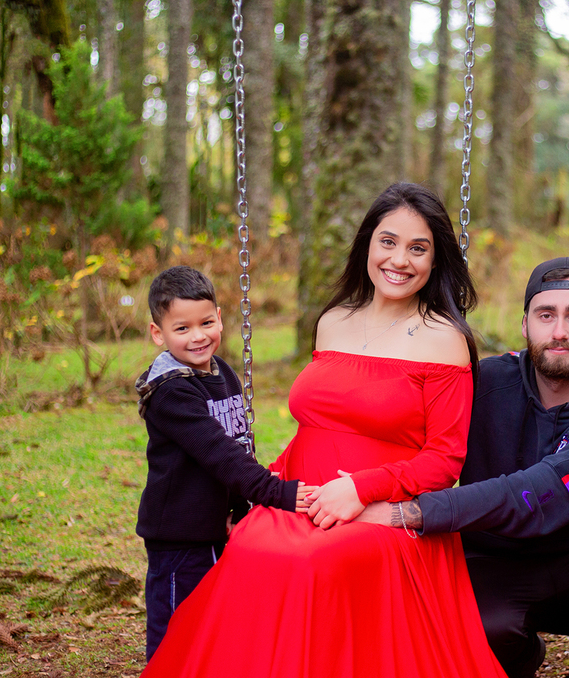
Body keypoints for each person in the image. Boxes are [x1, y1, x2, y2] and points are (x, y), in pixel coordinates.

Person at [142, 183, 508, 678]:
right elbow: (315, 426)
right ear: (367, 245)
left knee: (314, 562)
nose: (400, 260)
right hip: (304, 494)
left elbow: (444, 461)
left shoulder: (444, 340)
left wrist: (360, 489)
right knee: (251, 544)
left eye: (418, 248)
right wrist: (265, 489)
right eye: (388, 241)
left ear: (436, 259)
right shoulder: (334, 320)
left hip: (384, 510)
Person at [359, 256, 569, 678]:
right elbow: (401, 423)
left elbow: (540, 493)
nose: (559, 332)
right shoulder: (482, 383)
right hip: (493, 566)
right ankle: (520, 653)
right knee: (488, 636)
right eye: (546, 315)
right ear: (525, 324)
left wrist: (408, 513)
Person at [136, 265, 314, 660]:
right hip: (178, 535)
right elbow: (220, 453)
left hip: (215, 527)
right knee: (175, 624)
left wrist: (238, 508)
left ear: (219, 318)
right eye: (181, 328)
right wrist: (276, 494)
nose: (198, 336)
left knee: (210, 616)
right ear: (158, 334)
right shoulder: (170, 392)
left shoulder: (225, 374)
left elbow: (240, 444)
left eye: (205, 322)